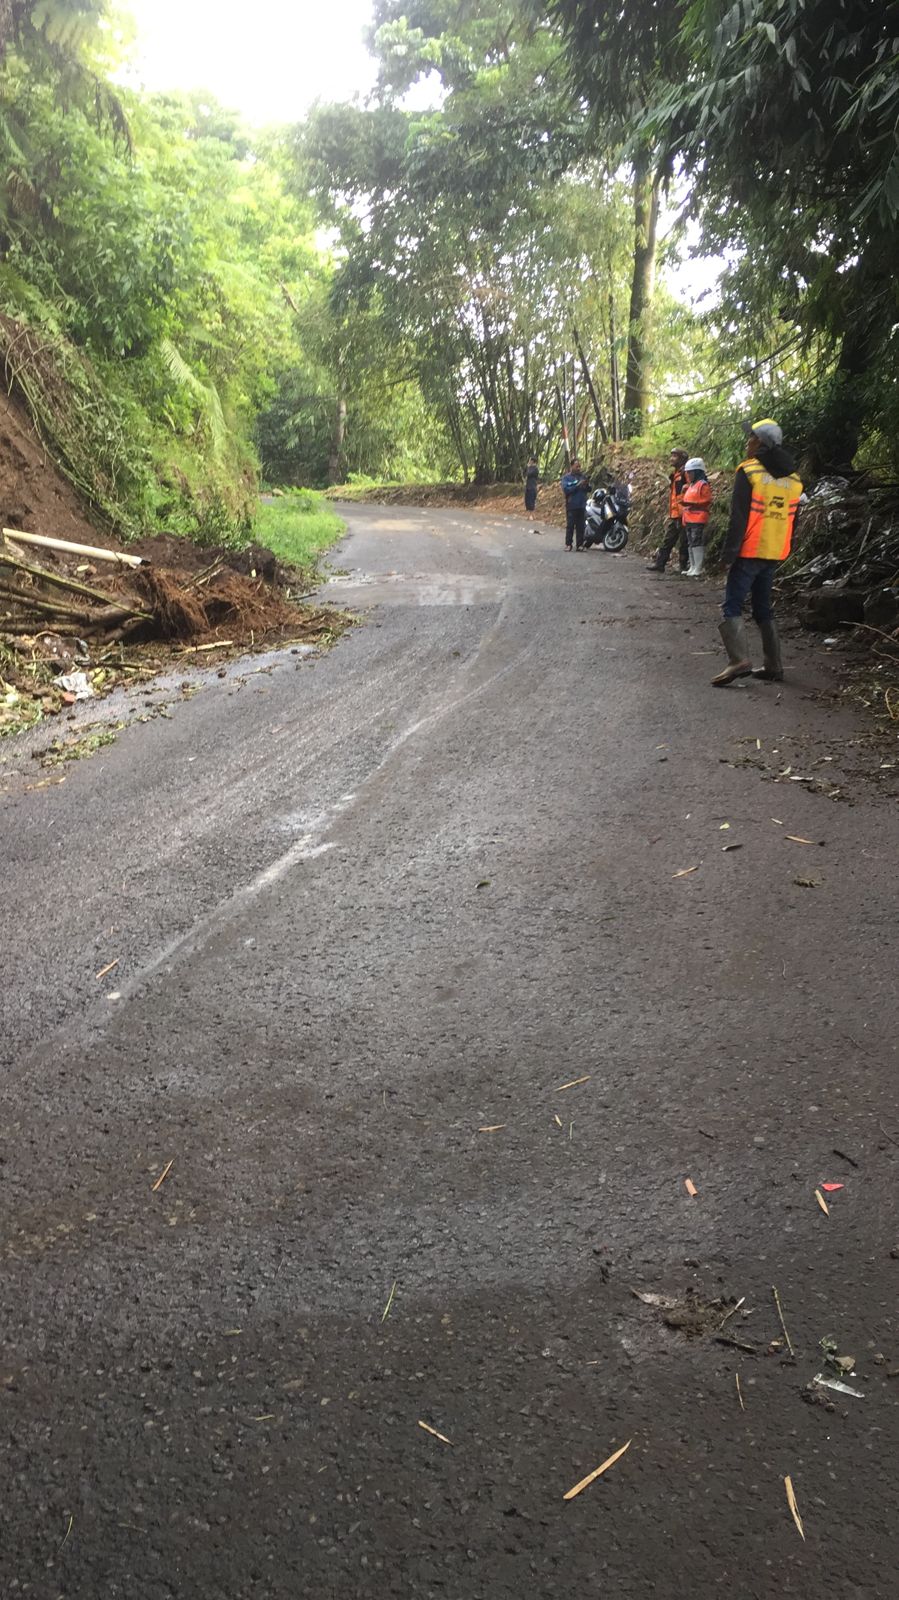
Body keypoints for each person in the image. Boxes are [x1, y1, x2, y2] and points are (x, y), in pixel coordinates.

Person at [711, 419, 803, 686]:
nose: (746, 442)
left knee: (732, 604)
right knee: (763, 606)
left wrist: (728, 555)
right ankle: (774, 665)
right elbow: (791, 520)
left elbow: (738, 518)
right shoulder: (795, 480)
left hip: (750, 548)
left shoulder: (749, 471)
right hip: (774, 550)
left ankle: (738, 660)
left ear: (761, 443)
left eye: (750, 438)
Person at [646, 449, 689, 572]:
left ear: (682, 458)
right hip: (675, 513)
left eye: (675, 456)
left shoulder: (685, 473)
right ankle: (660, 564)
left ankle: (683, 566)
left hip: (683, 513)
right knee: (668, 540)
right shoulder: (676, 474)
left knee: (683, 542)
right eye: (672, 456)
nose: (672, 458)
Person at [680, 457, 712, 577]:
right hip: (689, 518)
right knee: (690, 542)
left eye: (690, 472)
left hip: (698, 517)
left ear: (697, 472)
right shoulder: (691, 485)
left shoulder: (703, 485)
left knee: (696, 542)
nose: (688, 475)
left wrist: (692, 504)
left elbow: (707, 500)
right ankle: (692, 567)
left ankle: (698, 567)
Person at [560, 458, 591, 551]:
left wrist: (586, 484)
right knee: (570, 525)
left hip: (582, 504)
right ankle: (568, 544)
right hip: (572, 504)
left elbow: (589, 489)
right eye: (576, 466)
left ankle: (580, 545)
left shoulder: (583, 476)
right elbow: (566, 490)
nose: (578, 468)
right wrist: (577, 485)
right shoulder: (566, 478)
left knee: (581, 526)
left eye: (579, 466)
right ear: (572, 466)